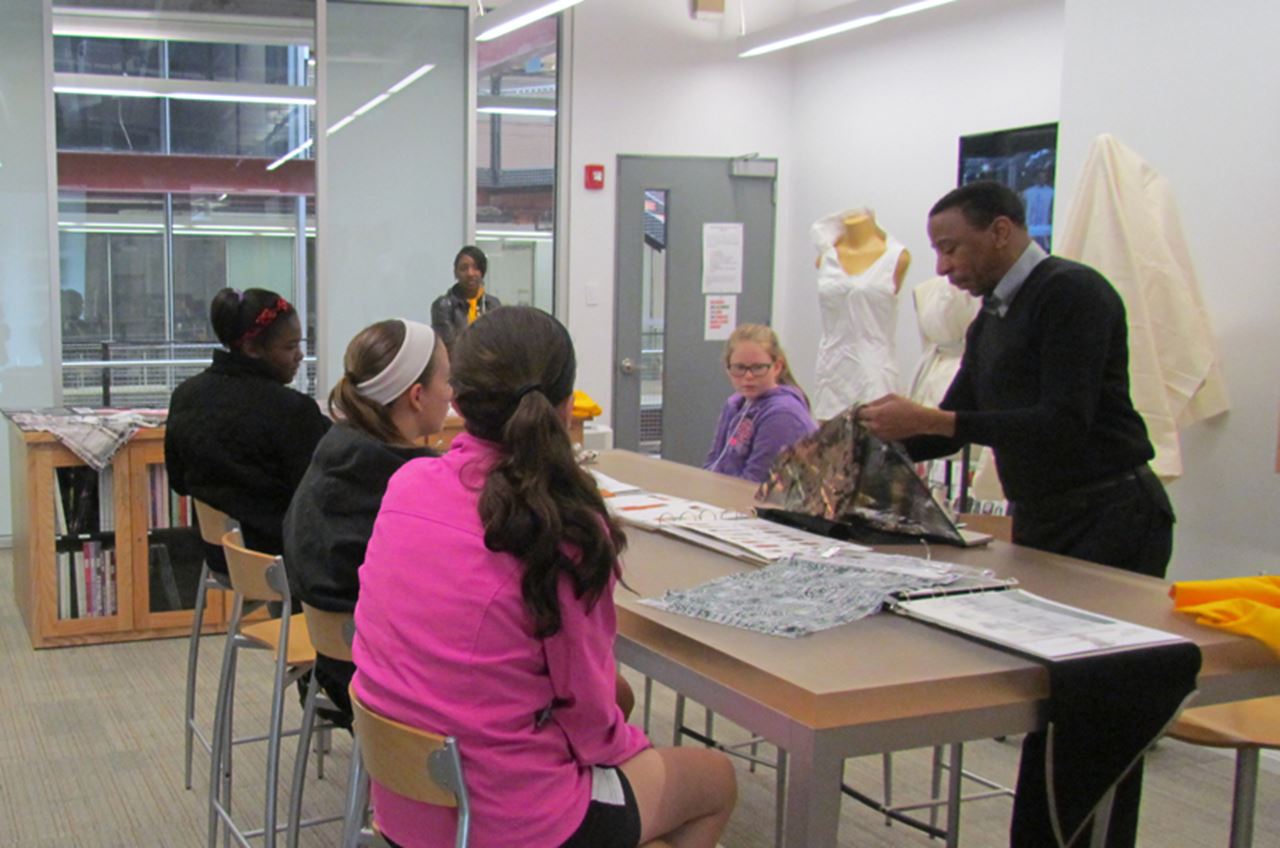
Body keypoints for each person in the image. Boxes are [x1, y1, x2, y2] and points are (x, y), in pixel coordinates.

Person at [858, 180, 1175, 848]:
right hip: (1052, 521)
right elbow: (952, 432)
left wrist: (936, 417)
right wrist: (863, 441)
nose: (942, 267)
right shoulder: (992, 318)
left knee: (1098, 711)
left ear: (1001, 230)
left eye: (952, 248)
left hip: (1112, 518)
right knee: (1057, 707)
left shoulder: (1073, 295)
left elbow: (1063, 421)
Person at [352, 306, 736, 848]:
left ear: (458, 400)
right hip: (511, 821)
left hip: (403, 805)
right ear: (565, 407)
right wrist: (635, 753)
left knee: (617, 720)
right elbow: (591, 719)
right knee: (714, 780)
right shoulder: (562, 529)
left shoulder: (406, 486)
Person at [282, 319, 450, 724]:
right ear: (416, 396)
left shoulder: (337, 447)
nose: (452, 393)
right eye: (448, 380)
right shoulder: (408, 481)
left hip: (332, 667)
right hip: (385, 684)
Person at [165, 288, 330, 567]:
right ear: (252, 348)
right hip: (285, 560)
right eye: (290, 347)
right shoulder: (290, 409)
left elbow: (178, 482)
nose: (300, 356)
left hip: (222, 557)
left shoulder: (185, 395)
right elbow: (318, 498)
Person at [811, 209, 911, 420]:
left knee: (874, 440)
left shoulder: (896, 258)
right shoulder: (826, 258)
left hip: (874, 367)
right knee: (831, 446)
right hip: (832, 369)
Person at [704, 323, 817, 483]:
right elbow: (714, 462)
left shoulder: (783, 414)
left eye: (758, 368)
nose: (748, 376)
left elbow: (755, 484)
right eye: (739, 368)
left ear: (777, 367)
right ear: (728, 368)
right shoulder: (735, 404)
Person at [429, 245, 501, 354]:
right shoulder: (443, 305)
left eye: (476, 268)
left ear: (482, 272)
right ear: (455, 273)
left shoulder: (493, 304)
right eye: (464, 268)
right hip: (458, 367)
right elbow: (450, 346)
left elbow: (499, 343)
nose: (470, 273)